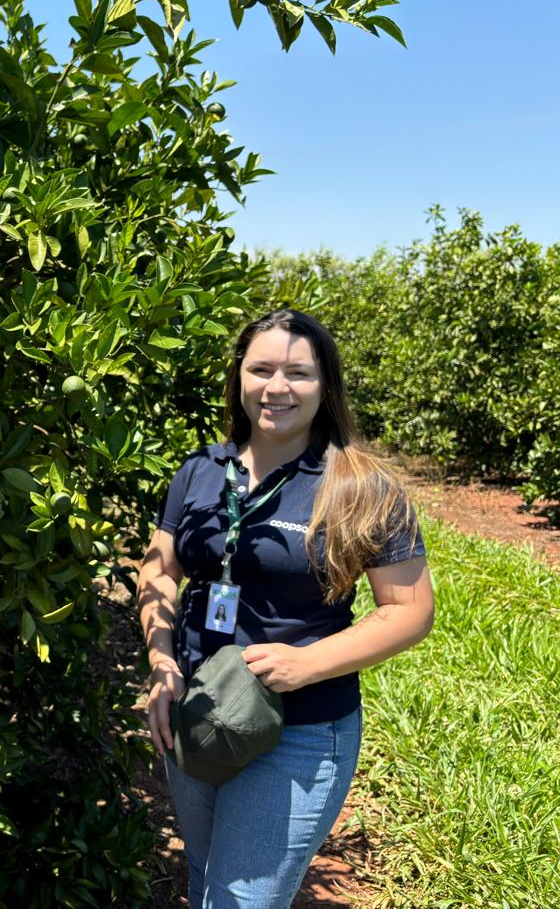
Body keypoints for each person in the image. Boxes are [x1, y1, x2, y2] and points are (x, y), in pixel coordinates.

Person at [136, 308, 434, 909]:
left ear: (325, 387)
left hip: (296, 729)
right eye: (262, 369)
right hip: (198, 709)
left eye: (297, 372)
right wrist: (162, 660)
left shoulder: (359, 486)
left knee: (242, 900)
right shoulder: (201, 470)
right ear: (239, 378)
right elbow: (160, 568)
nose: (277, 387)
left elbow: (409, 609)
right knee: (203, 877)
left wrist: (307, 664)